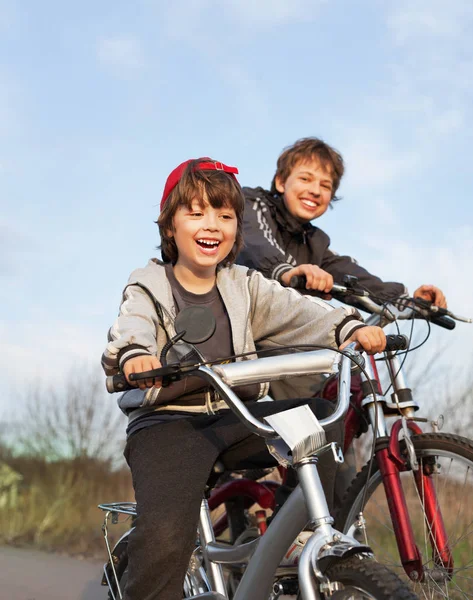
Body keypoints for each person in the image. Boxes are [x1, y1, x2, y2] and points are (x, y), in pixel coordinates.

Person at [101, 157, 387, 600]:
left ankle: (289, 538)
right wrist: (135, 356)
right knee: (162, 538)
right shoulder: (149, 283)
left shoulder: (245, 284)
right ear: (169, 225)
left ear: (236, 228)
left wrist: (347, 327)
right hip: (171, 421)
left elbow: (300, 312)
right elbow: (130, 328)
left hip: (238, 413)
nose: (211, 224)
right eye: (195, 213)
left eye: (225, 215)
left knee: (322, 428)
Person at [237, 137, 447, 309]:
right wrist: (284, 271)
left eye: (325, 185)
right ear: (281, 182)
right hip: (232, 330)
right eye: (305, 179)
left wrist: (410, 303)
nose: (315, 191)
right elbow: (255, 241)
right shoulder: (254, 203)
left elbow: (355, 278)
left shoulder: (315, 244)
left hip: (278, 339)